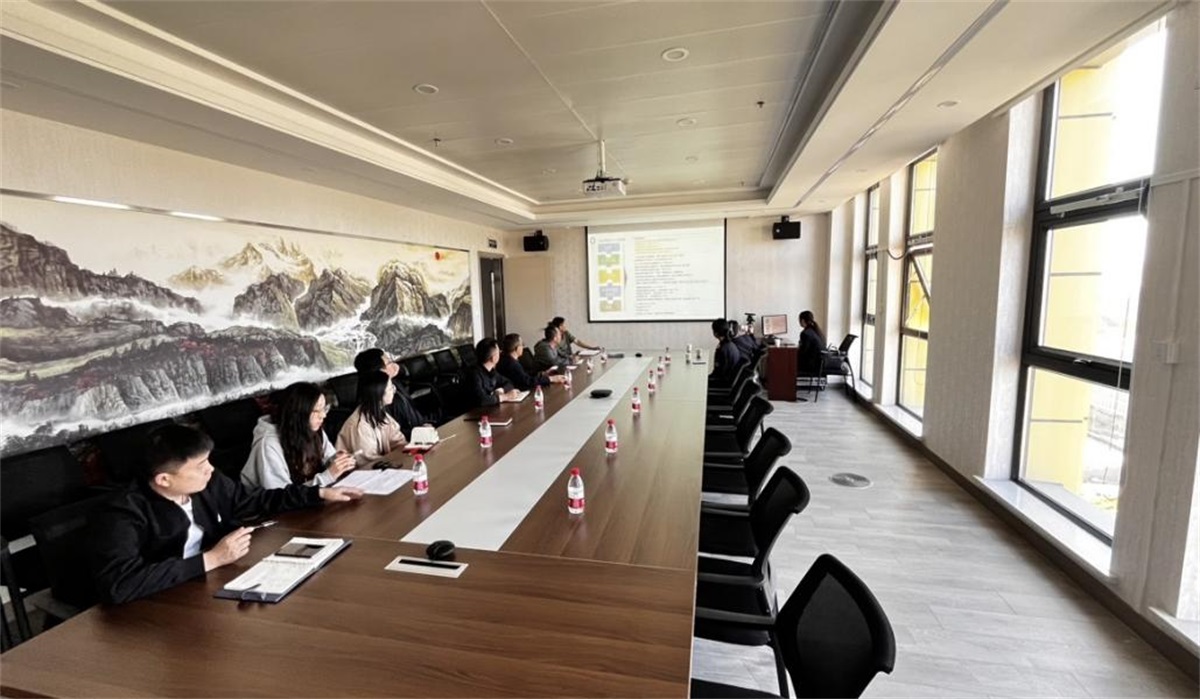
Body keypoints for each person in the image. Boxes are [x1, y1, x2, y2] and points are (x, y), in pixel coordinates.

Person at [90, 424, 363, 605]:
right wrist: (211, 559)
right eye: (200, 465)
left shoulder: (208, 483)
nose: (210, 470)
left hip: (207, 587)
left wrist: (317, 494)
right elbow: (119, 584)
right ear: (164, 479)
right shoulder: (122, 513)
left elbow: (255, 501)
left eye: (208, 460)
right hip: (153, 610)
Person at [241, 382, 356, 489]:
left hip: (311, 497)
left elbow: (328, 458)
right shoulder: (268, 445)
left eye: (324, 409)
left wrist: (337, 461)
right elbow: (280, 496)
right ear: (298, 414)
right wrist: (328, 476)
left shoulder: (314, 429)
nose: (323, 416)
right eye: (316, 411)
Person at [353, 348, 435, 439]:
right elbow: (391, 435)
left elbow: (405, 376)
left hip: (422, 431)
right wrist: (419, 432)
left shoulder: (393, 382)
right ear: (379, 371)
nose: (394, 365)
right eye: (389, 362)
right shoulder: (380, 399)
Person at [336, 371, 407, 467]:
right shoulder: (359, 426)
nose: (394, 391)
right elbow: (368, 462)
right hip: (364, 472)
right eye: (391, 388)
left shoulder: (379, 413)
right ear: (379, 393)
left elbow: (398, 441)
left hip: (383, 466)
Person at [466, 337, 523, 407]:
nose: (500, 354)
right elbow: (481, 400)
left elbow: (508, 382)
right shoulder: (474, 374)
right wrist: (505, 397)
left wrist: (501, 390)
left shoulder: (492, 371)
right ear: (494, 358)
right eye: (499, 352)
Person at [497, 333, 566, 391]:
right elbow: (527, 382)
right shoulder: (511, 364)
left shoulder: (506, 359)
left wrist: (542, 374)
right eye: (522, 344)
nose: (523, 346)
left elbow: (524, 375)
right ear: (517, 348)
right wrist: (551, 379)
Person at [710, 318, 745, 388]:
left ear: (715, 333)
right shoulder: (731, 344)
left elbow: (719, 373)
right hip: (730, 382)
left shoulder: (722, 349)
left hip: (723, 383)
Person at [797, 310, 827, 376]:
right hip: (819, 364)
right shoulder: (816, 331)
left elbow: (803, 352)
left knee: (789, 361)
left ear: (802, 320)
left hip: (811, 365)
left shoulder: (805, 333)